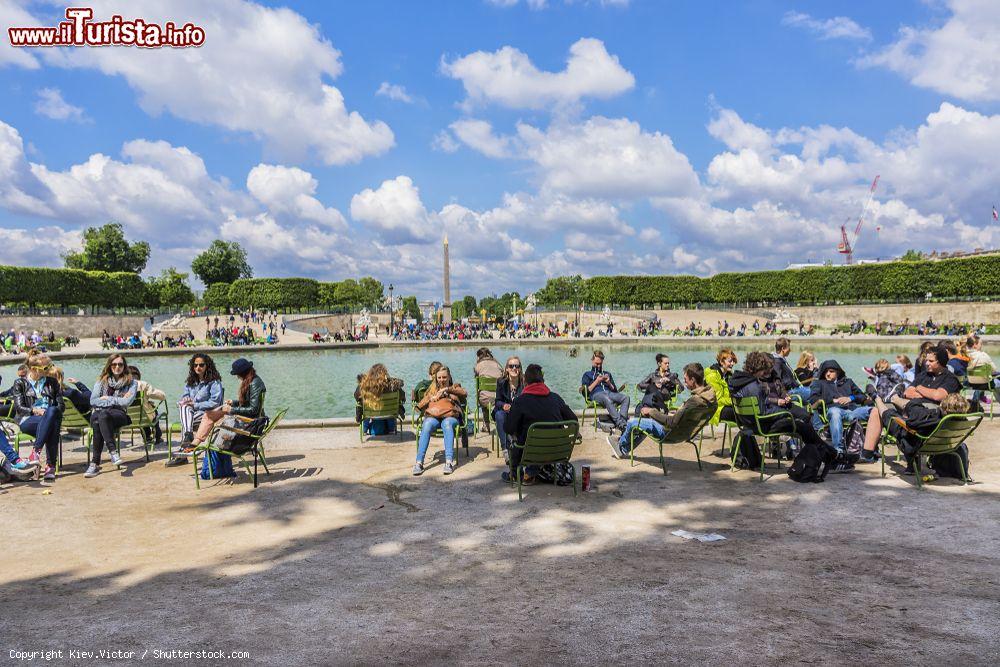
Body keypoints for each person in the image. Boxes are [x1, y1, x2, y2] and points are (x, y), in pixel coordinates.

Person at [858, 347, 963, 462]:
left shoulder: (950, 379)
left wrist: (919, 388)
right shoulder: (924, 375)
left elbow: (938, 396)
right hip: (908, 406)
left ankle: (881, 398)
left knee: (889, 409)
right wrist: (928, 394)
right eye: (926, 360)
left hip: (925, 417)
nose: (927, 363)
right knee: (876, 410)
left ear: (941, 362)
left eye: (931, 361)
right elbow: (908, 392)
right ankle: (867, 454)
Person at [729, 351, 831, 452]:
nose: (764, 372)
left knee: (802, 421)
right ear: (759, 368)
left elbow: (762, 406)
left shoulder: (737, 382)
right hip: (762, 425)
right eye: (764, 369)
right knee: (801, 426)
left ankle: (820, 450)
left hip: (749, 423)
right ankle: (823, 451)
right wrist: (784, 413)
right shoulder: (754, 386)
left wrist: (784, 399)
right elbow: (764, 412)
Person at [610, 363, 717, 459]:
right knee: (645, 424)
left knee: (632, 422)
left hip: (669, 433)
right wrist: (677, 413)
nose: (684, 382)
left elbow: (671, 422)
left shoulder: (694, 401)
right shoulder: (708, 399)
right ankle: (624, 449)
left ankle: (620, 444)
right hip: (685, 433)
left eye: (686, 379)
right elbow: (681, 418)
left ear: (693, 380)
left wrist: (651, 411)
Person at [503, 363, 577, 484]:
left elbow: (508, 428)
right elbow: (573, 420)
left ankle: (515, 474)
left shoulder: (520, 401)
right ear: (542, 381)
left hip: (530, 453)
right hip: (556, 451)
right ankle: (531, 473)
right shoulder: (555, 398)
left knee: (514, 436)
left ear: (525, 381)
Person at [859, 393, 970, 471]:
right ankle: (894, 397)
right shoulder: (959, 421)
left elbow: (911, 424)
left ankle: (877, 399)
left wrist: (912, 408)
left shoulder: (933, 418)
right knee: (905, 413)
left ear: (943, 405)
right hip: (941, 445)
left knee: (890, 414)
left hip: (914, 442)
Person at [10, 352, 63, 481]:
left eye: (49, 366)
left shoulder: (53, 382)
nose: (49, 370)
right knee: (52, 423)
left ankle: (36, 453)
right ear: (34, 369)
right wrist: (35, 410)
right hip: (28, 419)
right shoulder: (20, 383)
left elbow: (61, 406)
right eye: (46, 368)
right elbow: (19, 408)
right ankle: (50, 466)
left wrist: (48, 412)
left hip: (48, 416)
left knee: (51, 413)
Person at [84, 354, 139, 478]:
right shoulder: (101, 381)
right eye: (114, 364)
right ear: (109, 366)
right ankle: (113, 452)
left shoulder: (132, 383)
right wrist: (116, 399)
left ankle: (95, 464)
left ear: (124, 366)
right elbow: (93, 401)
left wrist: (107, 398)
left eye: (120, 364)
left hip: (118, 414)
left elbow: (126, 402)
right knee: (101, 417)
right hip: (99, 413)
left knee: (100, 418)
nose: (117, 367)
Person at [167, 354, 224, 466]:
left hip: (207, 414)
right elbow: (185, 396)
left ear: (207, 366)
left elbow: (215, 403)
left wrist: (195, 405)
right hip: (192, 414)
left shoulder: (214, 382)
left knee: (186, 419)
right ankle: (188, 435)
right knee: (184, 407)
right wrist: (186, 399)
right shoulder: (190, 382)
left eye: (201, 365)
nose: (198, 367)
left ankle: (183, 453)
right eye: (195, 365)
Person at [808, 360, 872, 452]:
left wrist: (850, 398)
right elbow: (813, 399)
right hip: (834, 410)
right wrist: (832, 400)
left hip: (853, 411)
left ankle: (871, 450)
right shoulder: (819, 383)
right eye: (826, 371)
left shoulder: (848, 382)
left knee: (873, 411)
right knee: (835, 412)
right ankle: (838, 450)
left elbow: (862, 396)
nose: (828, 374)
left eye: (831, 371)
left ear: (838, 372)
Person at [414, 366, 467, 476]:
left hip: (450, 416)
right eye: (439, 377)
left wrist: (447, 390)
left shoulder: (454, 387)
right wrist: (430, 398)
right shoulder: (432, 390)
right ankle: (419, 462)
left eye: (444, 377)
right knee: (427, 424)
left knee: (447, 424)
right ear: (436, 378)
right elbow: (418, 407)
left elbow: (464, 393)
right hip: (434, 416)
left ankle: (449, 462)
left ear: (449, 377)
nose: (442, 380)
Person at [581, 350, 629, 432]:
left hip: (609, 393)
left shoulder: (607, 374)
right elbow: (585, 393)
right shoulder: (587, 374)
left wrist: (608, 382)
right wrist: (597, 381)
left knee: (626, 397)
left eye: (600, 364)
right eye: (596, 364)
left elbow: (615, 391)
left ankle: (622, 423)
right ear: (592, 360)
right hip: (596, 395)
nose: (598, 366)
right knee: (605, 397)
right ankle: (621, 424)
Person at [354, 363, 404, 435]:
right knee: (391, 405)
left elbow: (356, 397)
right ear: (385, 374)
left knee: (364, 404)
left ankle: (364, 430)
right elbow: (402, 396)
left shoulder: (364, 386)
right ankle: (391, 430)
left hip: (371, 414)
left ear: (370, 374)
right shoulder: (392, 386)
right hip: (389, 414)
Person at [493, 356, 525, 459]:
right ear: (507, 368)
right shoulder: (501, 382)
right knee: (499, 414)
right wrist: (503, 405)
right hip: (505, 412)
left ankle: (520, 444)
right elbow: (497, 401)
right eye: (511, 366)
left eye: (517, 366)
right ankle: (505, 449)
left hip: (519, 413)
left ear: (520, 369)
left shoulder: (524, 383)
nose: (514, 368)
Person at [129, 366, 166, 445]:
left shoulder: (122, 386)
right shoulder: (143, 384)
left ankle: (147, 437)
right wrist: (163, 395)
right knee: (153, 412)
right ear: (138, 375)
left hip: (129, 418)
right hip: (144, 416)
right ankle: (158, 435)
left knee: (141, 412)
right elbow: (157, 395)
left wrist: (147, 402)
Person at [473, 347, 503, 434]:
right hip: (498, 398)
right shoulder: (498, 364)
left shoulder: (478, 366)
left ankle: (486, 425)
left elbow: (476, 379)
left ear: (479, 356)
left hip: (484, 400)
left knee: (482, 394)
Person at [773, 337, 811, 401]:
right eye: (789, 348)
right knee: (814, 392)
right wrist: (793, 384)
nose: (790, 350)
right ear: (783, 349)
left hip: (794, 389)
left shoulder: (781, 360)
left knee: (817, 389)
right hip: (789, 393)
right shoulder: (777, 362)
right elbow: (778, 380)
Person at [705, 349, 737, 425]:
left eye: (733, 361)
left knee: (746, 411)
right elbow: (717, 400)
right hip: (714, 410)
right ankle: (746, 435)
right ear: (721, 362)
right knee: (741, 413)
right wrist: (734, 401)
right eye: (730, 361)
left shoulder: (729, 375)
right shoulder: (713, 376)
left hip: (725, 406)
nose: (732, 364)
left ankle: (746, 435)